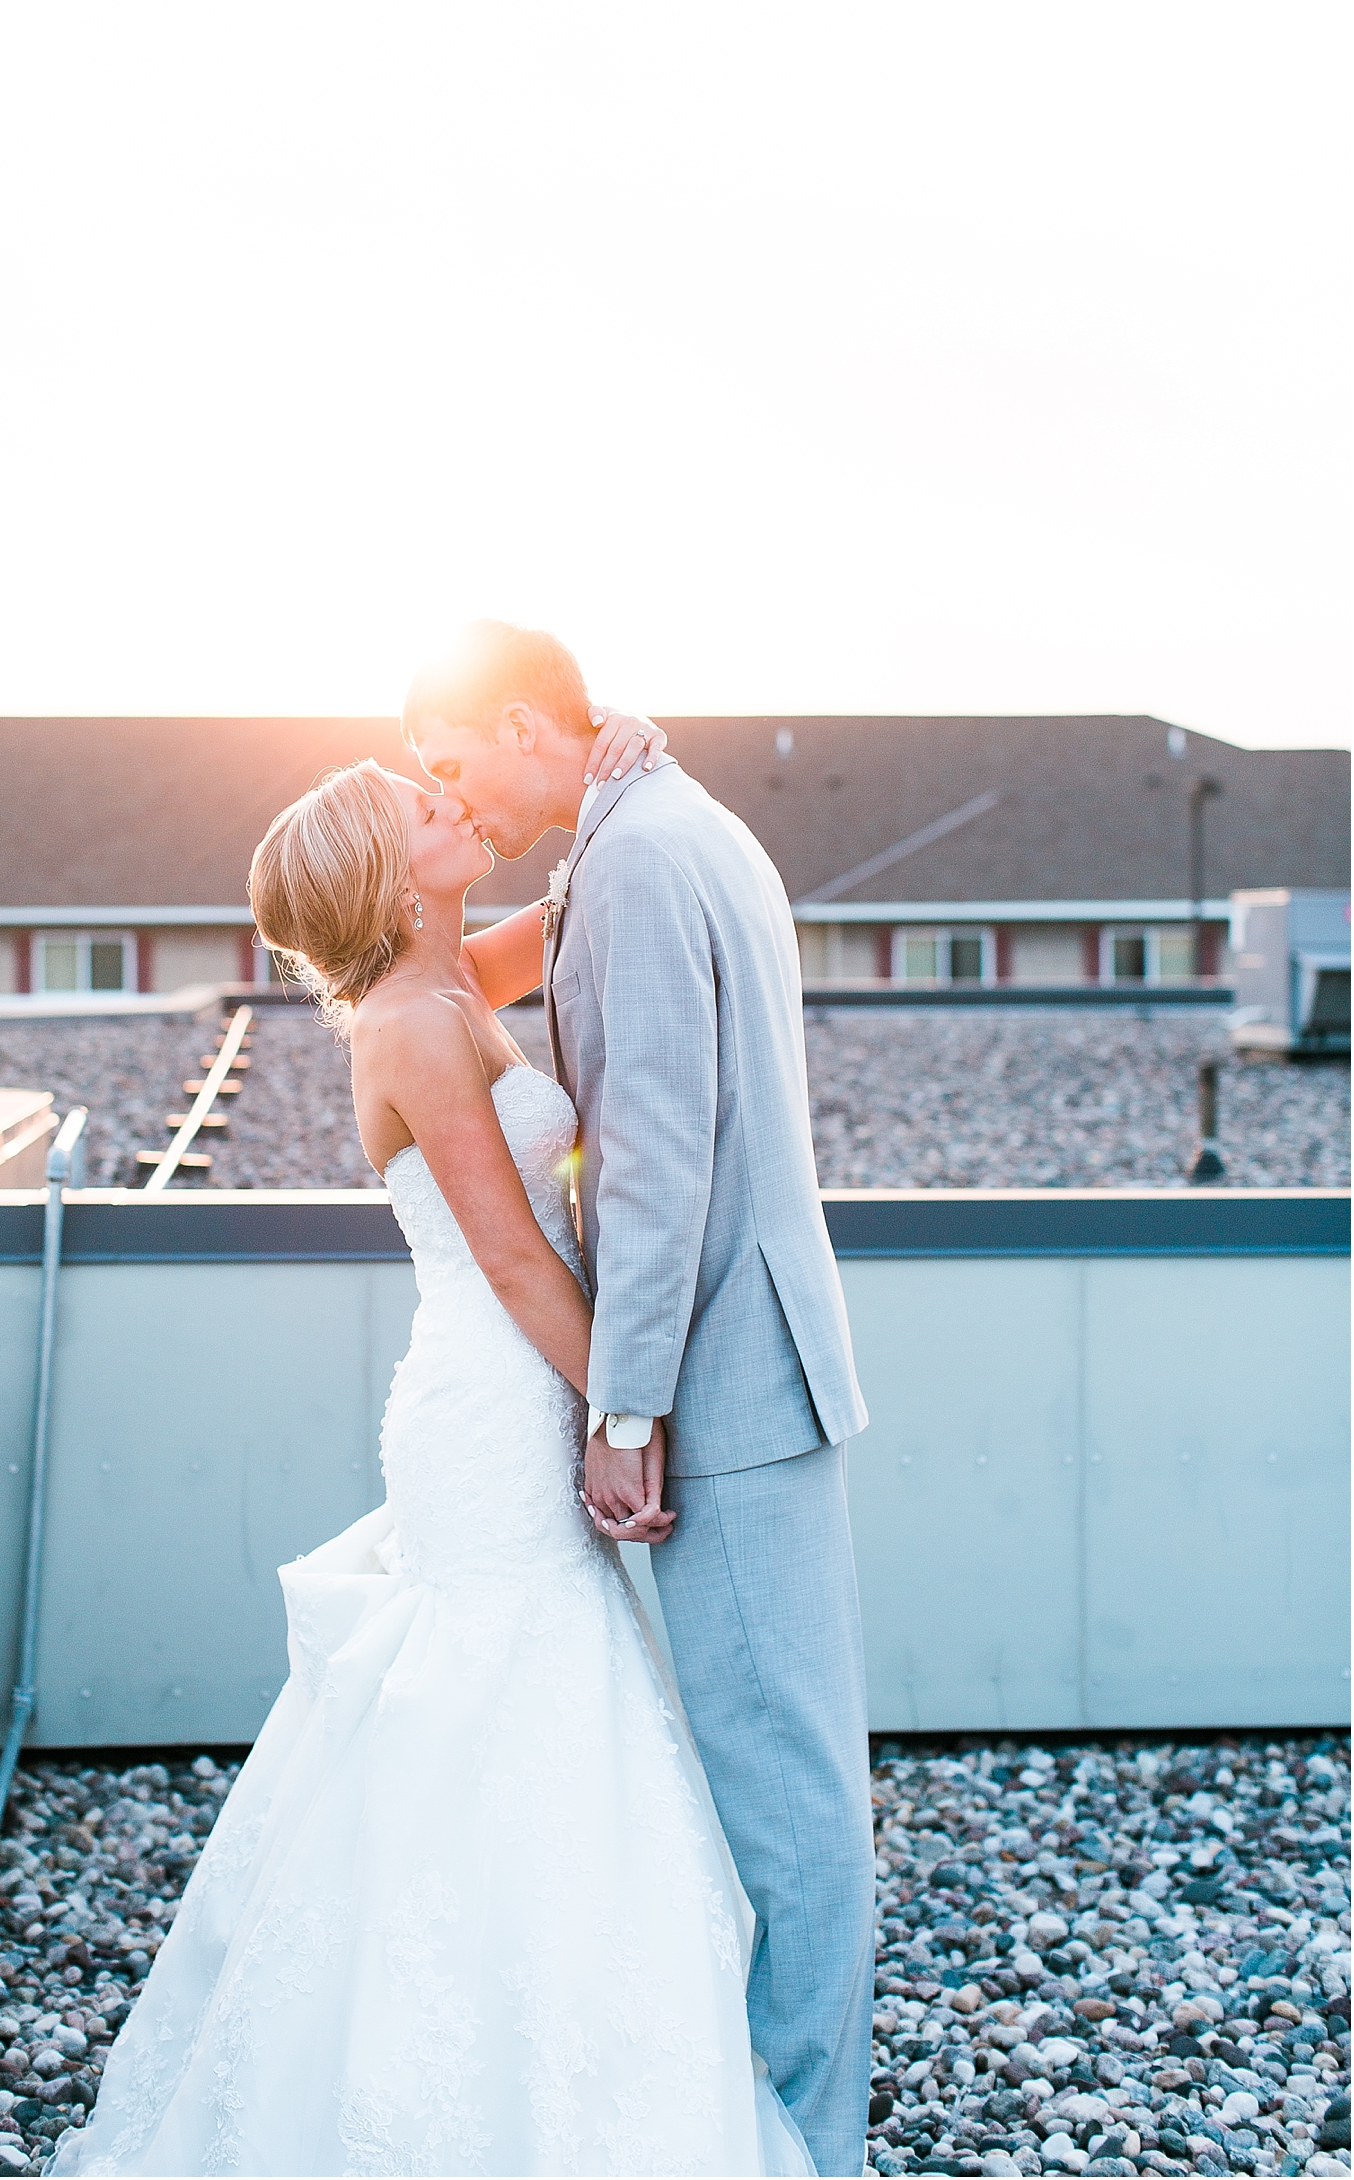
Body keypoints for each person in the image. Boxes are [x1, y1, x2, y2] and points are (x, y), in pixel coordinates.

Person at [53, 691, 815, 2179]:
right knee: (497, 1714)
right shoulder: (407, 1024)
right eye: (422, 807)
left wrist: (613, 766)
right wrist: (627, 1413)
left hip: (517, 1382)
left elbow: (582, 893)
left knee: (543, 1712)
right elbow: (521, 1258)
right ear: (390, 876)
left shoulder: (451, 977)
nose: (450, 799)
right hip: (491, 1407)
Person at [404, 624, 875, 2178]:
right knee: (784, 1767)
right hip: (756, 1364)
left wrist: (624, 1415)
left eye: (455, 757)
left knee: (785, 1796)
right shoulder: (654, 822)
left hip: (729, 1385)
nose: (447, 788)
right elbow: (488, 966)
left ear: (534, 719)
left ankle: (804, 2144)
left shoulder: (645, 862)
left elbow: (656, 1166)